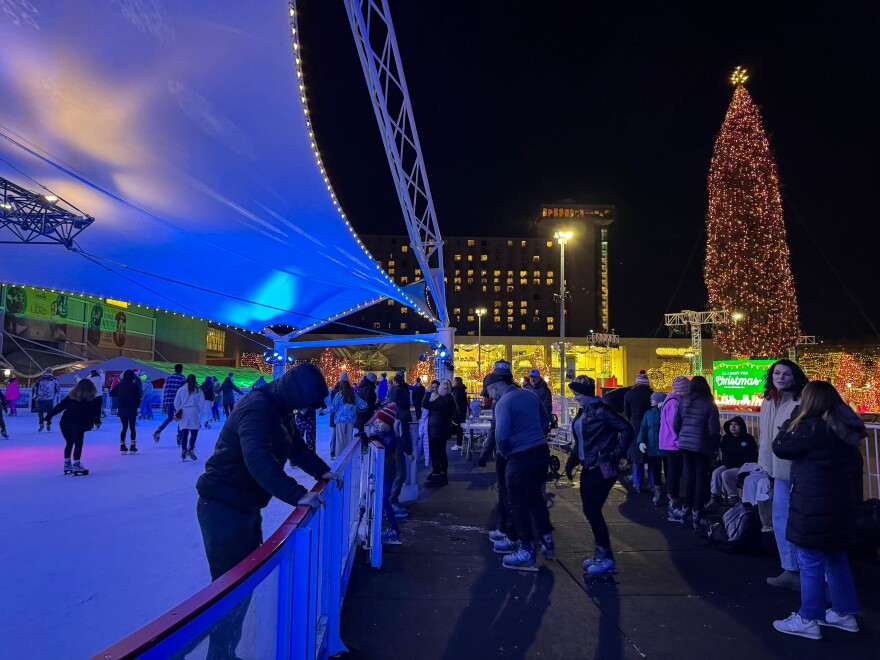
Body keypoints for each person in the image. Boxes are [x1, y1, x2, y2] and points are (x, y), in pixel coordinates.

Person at [195, 363, 341, 659]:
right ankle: (219, 655)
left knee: (240, 588)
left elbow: (295, 448)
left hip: (243, 506)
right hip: (223, 507)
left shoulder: (279, 409)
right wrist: (297, 495)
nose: (305, 410)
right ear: (296, 393)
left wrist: (321, 472)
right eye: (305, 402)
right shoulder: (258, 409)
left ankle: (224, 652)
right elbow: (258, 460)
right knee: (230, 591)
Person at [771, 381, 865, 640]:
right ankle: (844, 612)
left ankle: (809, 618)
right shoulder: (846, 427)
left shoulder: (811, 426)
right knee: (836, 560)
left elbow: (779, 446)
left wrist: (793, 416)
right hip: (842, 506)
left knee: (810, 563)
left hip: (813, 506)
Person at [484, 364, 553, 572]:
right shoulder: (530, 395)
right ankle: (546, 539)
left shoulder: (504, 402)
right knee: (535, 498)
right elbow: (545, 420)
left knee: (517, 503)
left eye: (489, 392)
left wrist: (505, 453)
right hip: (540, 452)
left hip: (519, 456)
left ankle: (526, 549)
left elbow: (501, 436)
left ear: (495, 387)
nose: (490, 397)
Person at [565, 377, 634, 576]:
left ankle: (605, 557)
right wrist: (572, 460)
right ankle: (601, 554)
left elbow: (627, 428)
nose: (575, 398)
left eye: (577, 394)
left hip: (600, 466)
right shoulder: (587, 410)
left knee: (592, 510)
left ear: (586, 394)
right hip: (591, 465)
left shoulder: (600, 409)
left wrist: (614, 455)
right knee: (590, 510)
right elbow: (582, 441)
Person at [759, 359, 808, 590]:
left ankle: (808, 573)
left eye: (786, 374)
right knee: (780, 520)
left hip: (796, 471)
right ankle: (789, 568)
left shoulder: (802, 400)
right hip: (776, 471)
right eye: (777, 373)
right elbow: (764, 437)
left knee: (798, 521)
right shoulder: (769, 399)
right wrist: (764, 466)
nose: (780, 377)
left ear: (795, 376)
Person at [672, 376, 721, 529]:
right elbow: (713, 429)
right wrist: (714, 446)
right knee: (701, 478)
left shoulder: (684, 401)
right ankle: (697, 511)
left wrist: (682, 436)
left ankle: (686, 507)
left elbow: (676, 423)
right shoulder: (709, 403)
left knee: (690, 476)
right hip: (702, 444)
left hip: (685, 443)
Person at [365, 402, 403, 544]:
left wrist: (376, 439)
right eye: (377, 421)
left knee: (384, 499)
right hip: (383, 471)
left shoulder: (391, 437)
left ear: (388, 423)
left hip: (387, 471)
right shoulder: (382, 433)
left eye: (381, 422)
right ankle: (390, 527)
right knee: (381, 499)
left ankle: (393, 528)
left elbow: (386, 450)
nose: (378, 424)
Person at [48, 379, 102, 476]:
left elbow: (60, 407)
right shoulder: (93, 399)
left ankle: (67, 464)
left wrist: (49, 416)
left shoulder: (71, 397)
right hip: (78, 423)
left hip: (65, 422)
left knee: (69, 442)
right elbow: (95, 413)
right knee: (78, 443)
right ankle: (76, 465)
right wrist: (96, 421)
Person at [706, 416, 757, 510]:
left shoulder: (748, 438)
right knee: (717, 472)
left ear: (741, 426)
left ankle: (734, 498)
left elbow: (751, 456)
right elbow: (726, 456)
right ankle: (715, 498)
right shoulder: (726, 439)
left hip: (744, 467)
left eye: (736, 424)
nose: (733, 427)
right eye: (731, 424)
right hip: (729, 464)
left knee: (726, 474)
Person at [660, 376, 689, 516]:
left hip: (668, 442)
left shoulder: (670, 400)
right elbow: (674, 425)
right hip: (673, 444)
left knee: (672, 471)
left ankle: (672, 497)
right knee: (674, 472)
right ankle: (674, 499)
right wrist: (679, 442)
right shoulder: (674, 403)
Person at [386, 373, 414, 516]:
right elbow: (404, 434)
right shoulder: (401, 414)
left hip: (389, 448)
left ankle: (389, 501)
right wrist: (409, 450)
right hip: (397, 448)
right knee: (400, 474)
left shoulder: (389, 410)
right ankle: (392, 501)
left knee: (393, 474)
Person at [422, 379, 456, 486]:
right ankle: (442, 474)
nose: (438, 388)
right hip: (441, 430)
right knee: (441, 452)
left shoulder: (443, 400)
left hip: (436, 431)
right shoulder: (448, 399)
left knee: (436, 453)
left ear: (445, 389)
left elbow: (426, 404)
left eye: (440, 387)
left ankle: (437, 476)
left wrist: (427, 393)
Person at [624, 370, 653, 492]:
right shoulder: (651, 394)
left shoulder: (629, 394)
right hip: (649, 425)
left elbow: (626, 411)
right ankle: (653, 483)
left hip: (635, 425)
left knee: (637, 456)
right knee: (651, 456)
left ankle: (637, 483)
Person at [638, 391, 668, 505]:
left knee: (668, 471)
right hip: (653, 446)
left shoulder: (665, 411)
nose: (651, 400)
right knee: (655, 471)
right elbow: (643, 428)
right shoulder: (648, 413)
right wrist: (641, 441)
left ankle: (669, 492)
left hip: (665, 447)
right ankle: (658, 492)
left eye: (653, 399)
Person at [329, 379, 367, 459]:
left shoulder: (339, 395)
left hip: (340, 420)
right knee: (349, 438)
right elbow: (363, 404)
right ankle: (348, 456)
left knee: (340, 440)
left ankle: (339, 457)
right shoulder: (353, 394)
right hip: (350, 420)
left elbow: (333, 407)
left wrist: (324, 411)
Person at [110, 369, 142, 454]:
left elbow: (111, 394)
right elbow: (139, 397)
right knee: (132, 428)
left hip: (122, 408)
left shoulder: (120, 385)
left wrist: (120, 395)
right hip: (132, 408)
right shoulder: (134, 386)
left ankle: (122, 446)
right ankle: (132, 446)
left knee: (124, 427)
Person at [175, 374, 206, 461]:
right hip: (194, 412)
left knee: (184, 434)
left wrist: (179, 410)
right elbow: (202, 402)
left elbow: (176, 401)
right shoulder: (198, 390)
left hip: (184, 413)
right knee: (194, 432)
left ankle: (183, 450)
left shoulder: (181, 389)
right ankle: (191, 448)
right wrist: (198, 410)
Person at [154, 364, 187, 443]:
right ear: (181, 370)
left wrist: (165, 403)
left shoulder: (169, 378)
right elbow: (184, 391)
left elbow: (165, 390)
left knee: (170, 417)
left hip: (168, 401)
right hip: (177, 402)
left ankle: (159, 430)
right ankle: (179, 437)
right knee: (181, 418)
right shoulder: (182, 378)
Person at [450, 376, 468, 450]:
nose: (452, 383)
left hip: (459, 413)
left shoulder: (459, 391)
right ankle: (458, 444)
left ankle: (459, 444)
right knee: (458, 428)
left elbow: (456, 401)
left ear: (457, 382)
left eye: (454, 381)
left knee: (459, 428)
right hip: (460, 412)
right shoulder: (460, 390)